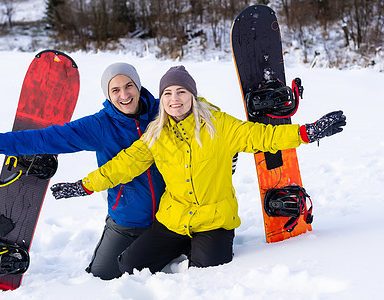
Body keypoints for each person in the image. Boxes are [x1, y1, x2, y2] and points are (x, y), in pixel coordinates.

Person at [50, 65, 346, 275]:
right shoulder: (156, 134)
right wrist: (84, 185)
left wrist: (308, 132)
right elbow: (121, 166)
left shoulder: (218, 125)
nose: (174, 99)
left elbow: (262, 137)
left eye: (181, 92)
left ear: (192, 95)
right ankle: (182, 246)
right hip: (173, 219)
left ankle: (199, 247)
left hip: (214, 220)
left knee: (206, 273)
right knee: (128, 265)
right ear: (161, 99)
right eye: (167, 93)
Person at [0, 63, 166, 280]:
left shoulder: (163, 113)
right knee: (101, 277)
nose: (124, 95)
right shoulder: (100, 125)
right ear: (107, 94)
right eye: (115, 90)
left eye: (128, 86)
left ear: (138, 86)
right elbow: (46, 138)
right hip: (128, 219)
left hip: (171, 216)